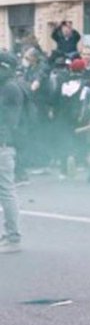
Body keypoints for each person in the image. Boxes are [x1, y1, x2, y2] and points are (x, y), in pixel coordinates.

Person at [1, 53, 24, 253]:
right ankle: (8, 234)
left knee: (6, 192)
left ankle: (13, 237)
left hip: (3, 144)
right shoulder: (8, 86)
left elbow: (6, 119)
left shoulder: (9, 88)